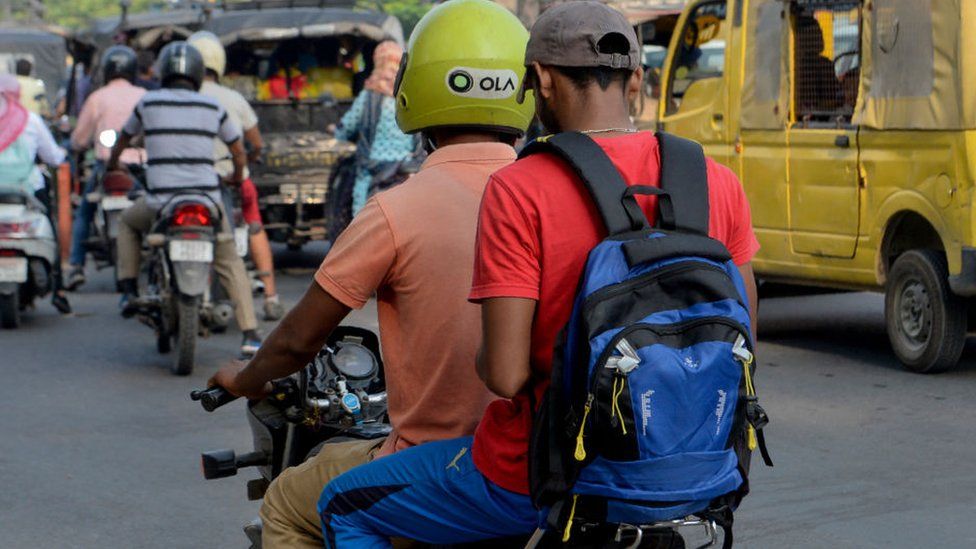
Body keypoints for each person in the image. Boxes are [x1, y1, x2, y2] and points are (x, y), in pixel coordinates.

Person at [316, 2, 760, 547]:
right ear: (637, 79)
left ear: (541, 81)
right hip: (700, 472)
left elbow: (503, 375)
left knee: (342, 504)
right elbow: (744, 336)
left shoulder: (522, 186)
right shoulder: (717, 180)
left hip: (542, 474)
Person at [206, 2, 535, 547]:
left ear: (412, 91)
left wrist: (245, 377)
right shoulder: (556, 201)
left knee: (288, 501)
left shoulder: (395, 210)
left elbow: (296, 341)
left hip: (437, 467)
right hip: (540, 463)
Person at [107, 42, 262, 356]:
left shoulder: (148, 103)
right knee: (230, 259)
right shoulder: (212, 107)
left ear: (164, 72)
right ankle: (251, 333)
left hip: (160, 203)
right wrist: (235, 175)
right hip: (206, 200)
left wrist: (113, 165)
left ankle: (127, 288)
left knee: (126, 222)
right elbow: (238, 150)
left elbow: (122, 141)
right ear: (196, 72)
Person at [188, 31, 285, 321]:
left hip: (191, 184)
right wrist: (247, 161)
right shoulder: (233, 98)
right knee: (254, 226)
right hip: (233, 181)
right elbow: (255, 143)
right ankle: (270, 296)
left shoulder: (183, 98)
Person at [66, 45, 147, 290]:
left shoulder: (98, 97)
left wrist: (78, 145)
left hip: (107, 166)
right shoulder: (144, 95)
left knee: (84, 212)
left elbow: (79, 139)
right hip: (140, 167)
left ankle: (76, 266)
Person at [0, 75, 71, 314]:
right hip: (27, 191)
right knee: (50, 227)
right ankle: (59, 291)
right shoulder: (29, 119)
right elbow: (54, 157)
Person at [332, 40, 417, 216]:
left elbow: (347, 128)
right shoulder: (411, 94)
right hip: (405, 171)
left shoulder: (369, 95)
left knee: (362, 226)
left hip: (371, 173)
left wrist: (335, 130)